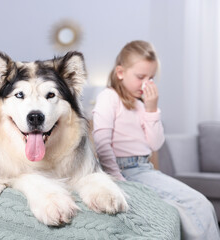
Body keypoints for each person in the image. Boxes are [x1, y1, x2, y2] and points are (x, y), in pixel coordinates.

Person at [92, 40, 220, 240]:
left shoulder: (141, 105)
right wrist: (116, 177)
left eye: (150, 78)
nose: (146, 84)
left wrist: (151, 110)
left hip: (145, 168)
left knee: (197, 205)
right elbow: (101, 142)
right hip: (125, 169)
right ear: (120, 72)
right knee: (199, 205)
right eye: (140, 77)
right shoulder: (108, 97)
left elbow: (155, 144)